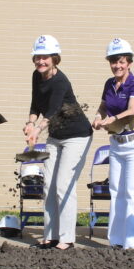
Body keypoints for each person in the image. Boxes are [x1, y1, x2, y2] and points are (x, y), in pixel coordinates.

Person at [25, 35, 93, 250]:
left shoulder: (60, 81)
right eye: (37, 57)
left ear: (55, 58)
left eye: (45, 57)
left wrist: (36, 130)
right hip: (55, 136)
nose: (40, 62)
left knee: (64, 185)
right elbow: (36, 104)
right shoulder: (37, 76)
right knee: (49, 185)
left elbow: (53, 110)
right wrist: (29, 123)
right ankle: (50, 236)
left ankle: (66, 238)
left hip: (77, 136)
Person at [92, 38, 134, 250]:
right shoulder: (109, 84)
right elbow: (102, 106)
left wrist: (112, 119)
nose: (117, 65)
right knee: (116, 191)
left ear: (129, 62)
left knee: (133, 192)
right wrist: (98, 117)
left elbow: (133, 110)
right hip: (117, 144)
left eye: (121, 61)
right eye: (113, 61)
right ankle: (116, 240)